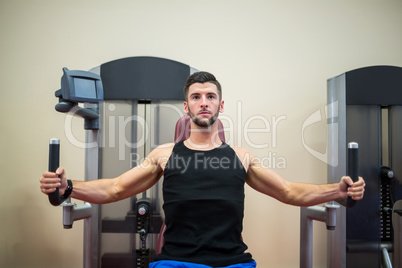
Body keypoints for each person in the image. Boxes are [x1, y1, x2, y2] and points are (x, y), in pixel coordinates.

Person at [40, 71, 365, 268]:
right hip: (176, 261)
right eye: (196, 97)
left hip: (234, 262)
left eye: (211, 96)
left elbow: (290, 191)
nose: (204, 102)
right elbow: (114, 189)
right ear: (187, 107)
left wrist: (338, 190)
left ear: (221, 106)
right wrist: (68, 187)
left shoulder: (241, 156)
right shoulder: (164, 155)